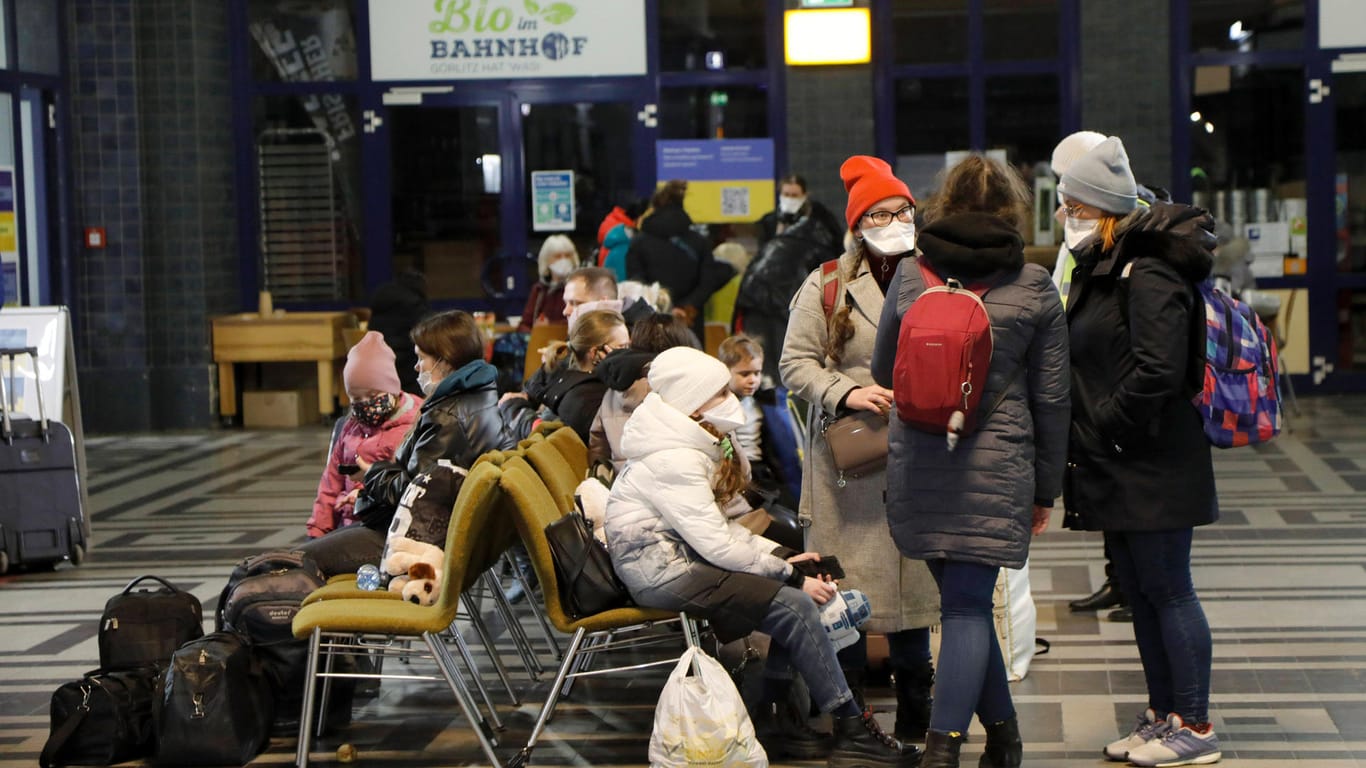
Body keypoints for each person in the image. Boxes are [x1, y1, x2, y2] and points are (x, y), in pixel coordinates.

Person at [605, 346, 920, 767]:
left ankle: (781, 715)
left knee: (794, 601)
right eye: (718, 393)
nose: (730, 399)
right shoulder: (674, 458)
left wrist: (784, 556)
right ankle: (848, 724)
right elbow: (717, 543)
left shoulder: (684, 442)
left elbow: (718, 533)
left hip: (674, 560)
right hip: (661, 571)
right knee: (793, 603)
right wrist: (790, 573)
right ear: (692, 402)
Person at [869, 155, 1072, 767]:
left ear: (942, 205)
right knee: (967, 608)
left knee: (962, 607)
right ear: (1011, 210)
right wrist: (1046, 488)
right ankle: (943, 751)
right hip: (997, 464)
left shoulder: (910, 275)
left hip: (921, 459)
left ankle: (1004, 739)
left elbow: (883, 372)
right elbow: (1054, 397)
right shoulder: (1034, 285)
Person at [1058, 137, 1222, 768]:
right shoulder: (1109, 260)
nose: (1065, 215)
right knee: (1141, 588)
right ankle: (1164, 717)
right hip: (1121, 457)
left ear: (1101, 208)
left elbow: (1159, 369)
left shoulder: (1148, 268)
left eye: (1073, 204)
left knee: (1168, 587)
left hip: (1150, 459)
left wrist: (1106, 425)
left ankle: (1195, 724)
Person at [780, 155, 941, 741]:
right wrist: (847, 392)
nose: (894, 221)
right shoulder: (826, 284)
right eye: (879, 213)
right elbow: (793, 364)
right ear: (857, 224)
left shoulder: (936, 275)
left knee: (914, 587)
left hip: (921, 455)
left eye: (902, 210)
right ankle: (853, 719)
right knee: (846, 595)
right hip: (849, 462)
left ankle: (919, 711)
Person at [297, 310, 514, 577]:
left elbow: (414, 493)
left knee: (299, 561)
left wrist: (372, 472)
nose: (416, 367)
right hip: (433, 532)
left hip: (414, 541)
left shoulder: (447, 417)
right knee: (307, 554)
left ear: (444, 362)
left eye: (422, 358)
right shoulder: (478, 399)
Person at [307, 332, 423, 539]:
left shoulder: (413, 424)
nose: (365, 404)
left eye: (372, 395)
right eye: (356, 398)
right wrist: (317, 532)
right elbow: (329, 486)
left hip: (389, 528)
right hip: (348, 525)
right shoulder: (350, 428)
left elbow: (409, 485)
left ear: (392, 389)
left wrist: (364, 496)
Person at [588, 313, 698, 474]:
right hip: (683, 482)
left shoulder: (613, 390)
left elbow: (598, 446)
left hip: (626, 485)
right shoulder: (689, 387)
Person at [627, 179, 736, 337]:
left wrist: (663, 307)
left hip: (652, 320)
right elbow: (708, 281)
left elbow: (636, 281)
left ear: (655, 207)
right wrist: (687, 307)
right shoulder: (699, 241)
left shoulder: (639, 242)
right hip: (689, 321)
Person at [501, 309, 628, 443]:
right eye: (622, 346)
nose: (629, 353)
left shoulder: (565, 377)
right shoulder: (586, 398)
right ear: (595, 353)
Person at [717, 334, 801, 507]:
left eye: (757, 373)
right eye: (744, 374)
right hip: (735, 473)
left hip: (762, 471)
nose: (753, 380)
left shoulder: (763, 402)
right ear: (725, 371)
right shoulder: (720, 406)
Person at [367, 269, 429, 395]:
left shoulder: (380, 302)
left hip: (376, 372)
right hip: (406, 373)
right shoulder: (414, 305)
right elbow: (429, 331)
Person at [758, 173, 845, 252]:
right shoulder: (769, 221)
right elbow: (763, 251)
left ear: (804, 195)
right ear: (780, 194)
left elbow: (837, 242)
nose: (790, 199)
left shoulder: (819, 215)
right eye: (786, 194)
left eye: (794, 195)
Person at [518, 235, 579, 332]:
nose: (563, 260)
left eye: (567, 256)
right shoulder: (539, 290)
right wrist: (534, 331)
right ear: (546, 260)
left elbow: (581, 321)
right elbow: (525, 324)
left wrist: (549, 326)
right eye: (558, 257)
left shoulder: (579, 288)